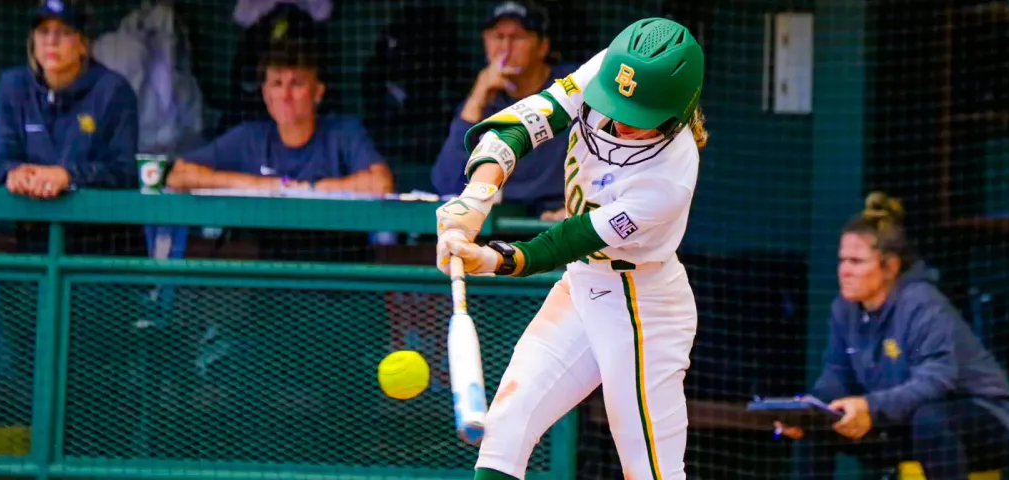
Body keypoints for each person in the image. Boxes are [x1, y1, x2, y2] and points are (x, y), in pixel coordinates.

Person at [435, 18, 709, 480]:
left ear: (674, 114)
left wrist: (494, 258)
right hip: (585, 284)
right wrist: (476, 198)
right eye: (617, 104)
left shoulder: (671, 177)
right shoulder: (611, 72)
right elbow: (525, 122)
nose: (619, 120)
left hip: (643, 307)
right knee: (505, 428)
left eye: (637, 116)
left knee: (649, 472)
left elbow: (572, 237)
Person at [777, 192, 1009, 480]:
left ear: (889, 267)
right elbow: (837, 375)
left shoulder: (922, 302)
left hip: (989, 424)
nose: (845, 270)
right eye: (842, 260)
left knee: (931, 419)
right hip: (905, 424)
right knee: (816, 429)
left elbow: (936, 381)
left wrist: (870, 407)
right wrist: (812, 411)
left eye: (857, 261)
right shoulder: (844, 309)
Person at [166, 41, 392, 262]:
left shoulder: (344, 132)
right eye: (276, 83)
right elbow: (180, 175)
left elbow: (381, 184)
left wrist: (311, 189)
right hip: (275, 282)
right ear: (265, 93)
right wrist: (263, 186)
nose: (285, 96)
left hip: (344, 280)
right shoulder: (250, 137)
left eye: (297, 84)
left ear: (318, 92)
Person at [0, 0, 143, 254]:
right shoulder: (13, 86)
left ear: (84, 43)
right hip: (36, 247)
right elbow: (3, 158)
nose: (51, 41)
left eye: (64, 32)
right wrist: (15, 173)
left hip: (102, 254)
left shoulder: (113, 91)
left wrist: (67, 176)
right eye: (43, 31)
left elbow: (123, 171)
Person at [431, 1, 576, 220]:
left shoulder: (571, 88)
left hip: (559, 222)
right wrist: (476, 101)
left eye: (517, 38)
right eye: (498, 37)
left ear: (543, 46)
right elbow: (446, 185)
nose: (505, 48)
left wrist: (580, 208)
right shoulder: (483, 101)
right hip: (498, 225)